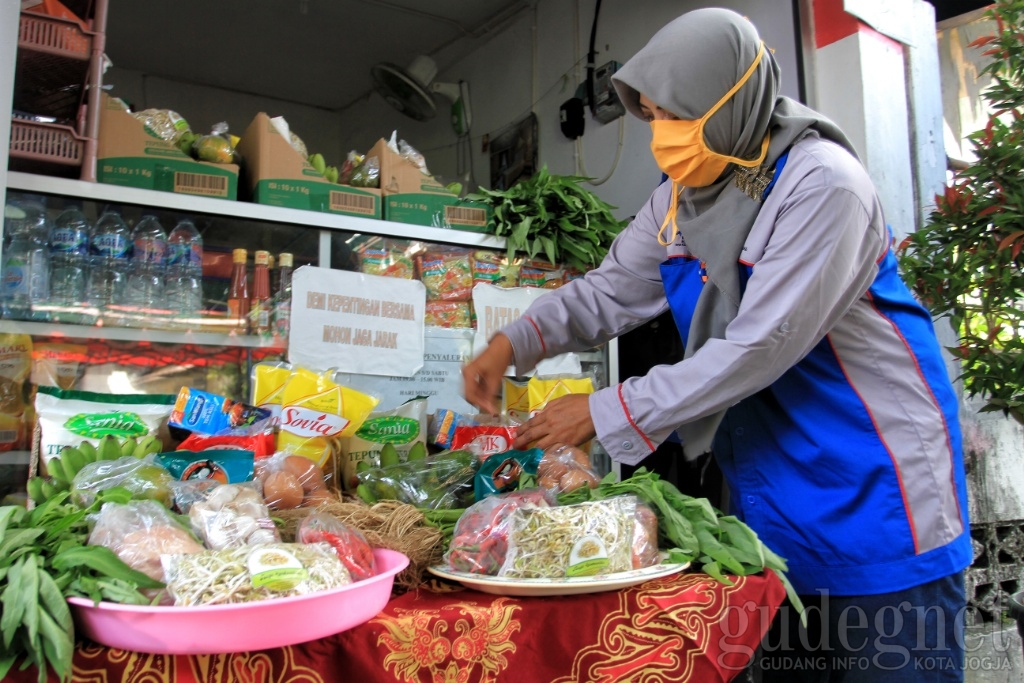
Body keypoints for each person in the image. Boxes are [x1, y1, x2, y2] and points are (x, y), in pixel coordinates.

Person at [462, 8, 971, 682]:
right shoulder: (683, 196)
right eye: (651, 116)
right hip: (771, 500)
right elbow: (612, 289)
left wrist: (603, 411)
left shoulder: (823, 186)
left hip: (875, 495)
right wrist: (514, 339)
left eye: (676, 114)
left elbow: (758, 347)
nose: (661, 138)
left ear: (732, 100)